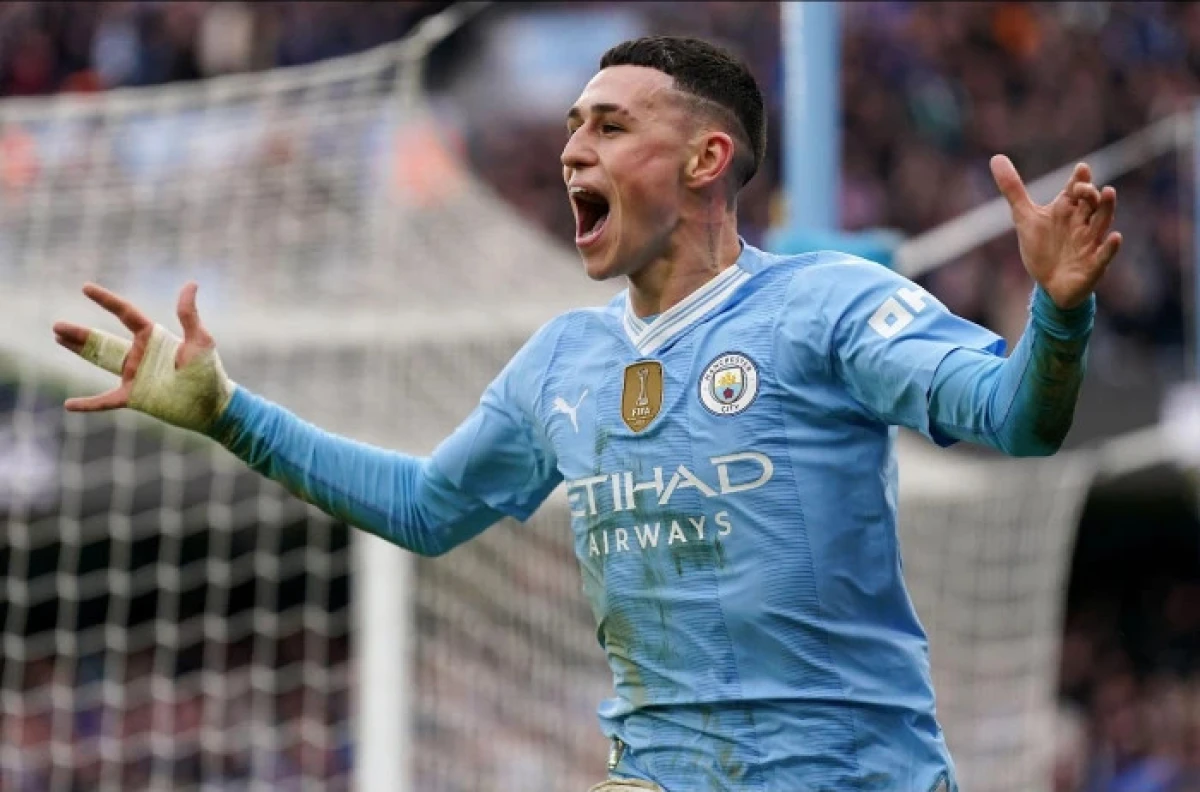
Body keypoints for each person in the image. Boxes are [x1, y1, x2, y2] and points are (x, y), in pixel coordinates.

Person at [52, 36, 1121, 792]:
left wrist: (1058, 313)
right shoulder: (561, 362)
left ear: (706, 160)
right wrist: (231, 416)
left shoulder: (826, 304)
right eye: (571, 128)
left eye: (611, 127)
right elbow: (426, 508)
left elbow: (1015, 417)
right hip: (655, 773)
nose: (573, 151)